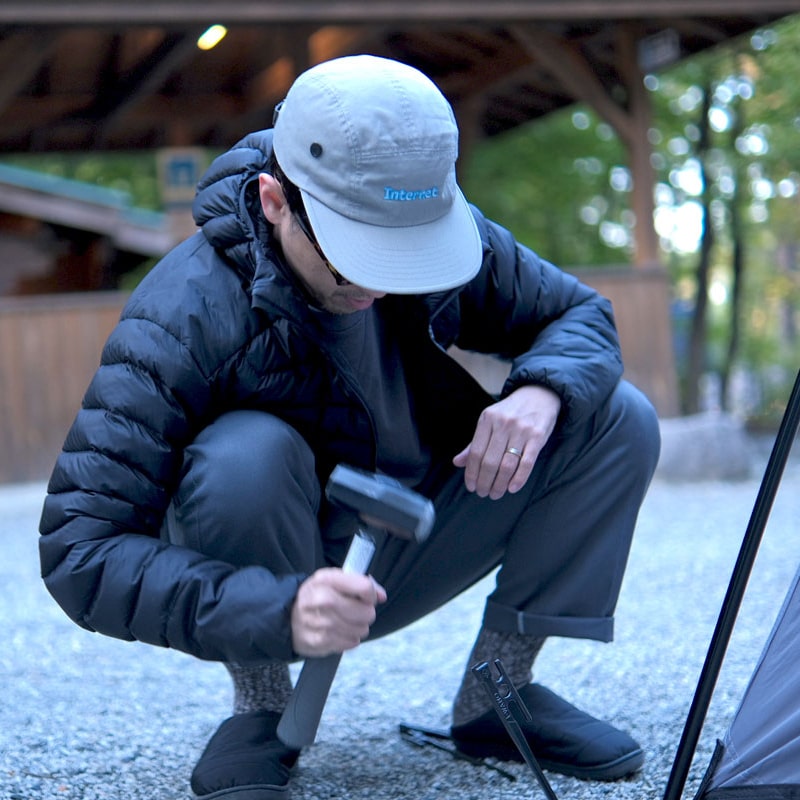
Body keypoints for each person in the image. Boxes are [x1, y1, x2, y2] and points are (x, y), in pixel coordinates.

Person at [39, 54, 660, 799]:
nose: (379, 283)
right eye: (352, 256)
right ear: (274, 200)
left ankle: (497, 692)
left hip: (420, 526)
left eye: (403, 256)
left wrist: (539, 390)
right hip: (286, 574)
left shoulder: (429, 225)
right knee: (242, 455)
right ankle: (263, 705)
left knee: (612, 413)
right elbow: (80, 550)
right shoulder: (181, 315)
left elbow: (579, 314)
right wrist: (276, 610)